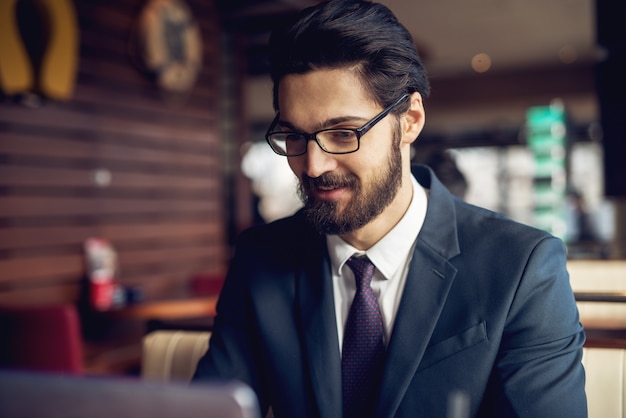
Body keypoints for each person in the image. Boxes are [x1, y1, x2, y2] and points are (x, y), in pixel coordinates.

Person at [193, 1, 587, 417]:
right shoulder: (261, 259)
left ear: (410, 119)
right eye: (294, 136)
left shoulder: (521, 267)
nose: (313, 164)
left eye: (343, 134)